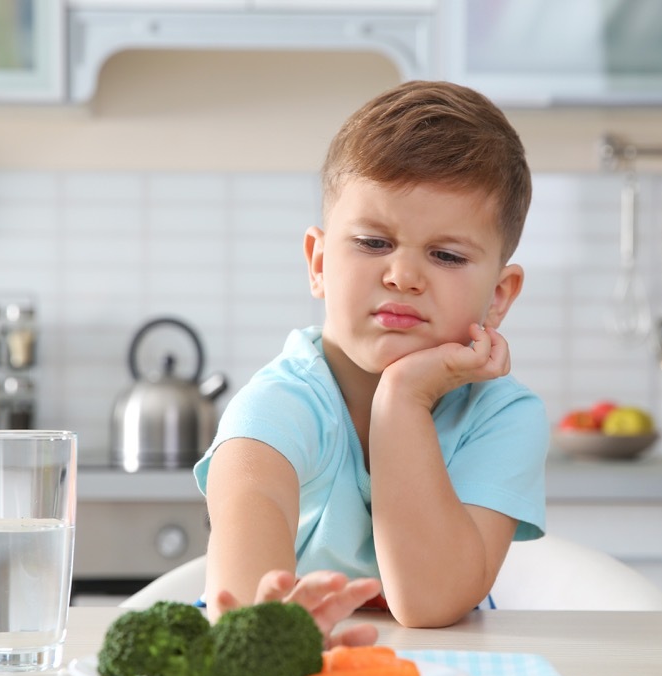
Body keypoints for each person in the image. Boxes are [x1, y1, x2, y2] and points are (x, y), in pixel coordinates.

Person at [194, 80, 548, 641]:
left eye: (446, 255)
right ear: (317, 262)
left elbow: (429, 601)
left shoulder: (504, 417)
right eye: (374, 243)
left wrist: (404, 397)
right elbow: (245, 615)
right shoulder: (279, 404)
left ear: (499, 296)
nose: (403, 276)